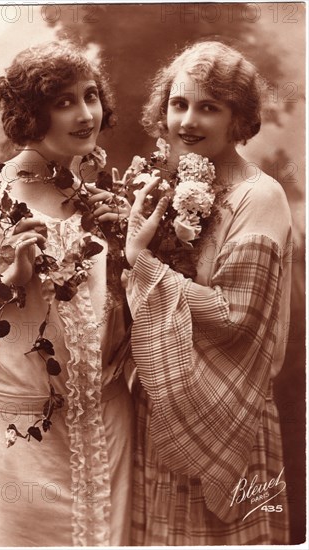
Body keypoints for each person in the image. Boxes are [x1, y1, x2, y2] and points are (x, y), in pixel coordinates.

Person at [0, 41, 133, 547]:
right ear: (30, 113)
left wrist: (127, 250)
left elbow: (114, 320)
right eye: (64, 102)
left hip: (104, 430)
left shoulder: (97, 199)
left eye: (91, 96)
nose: (86, 114)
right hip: (20, 447)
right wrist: (7, 283)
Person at [124, 40, 291, 545]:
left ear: (237, 118)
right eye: (179, 103)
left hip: (230, 412)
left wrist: (140, 261)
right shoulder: (175, 185)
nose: (188, 121)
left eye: (208, 107)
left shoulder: (259, 196)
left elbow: (231, 314)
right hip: (166, 405)